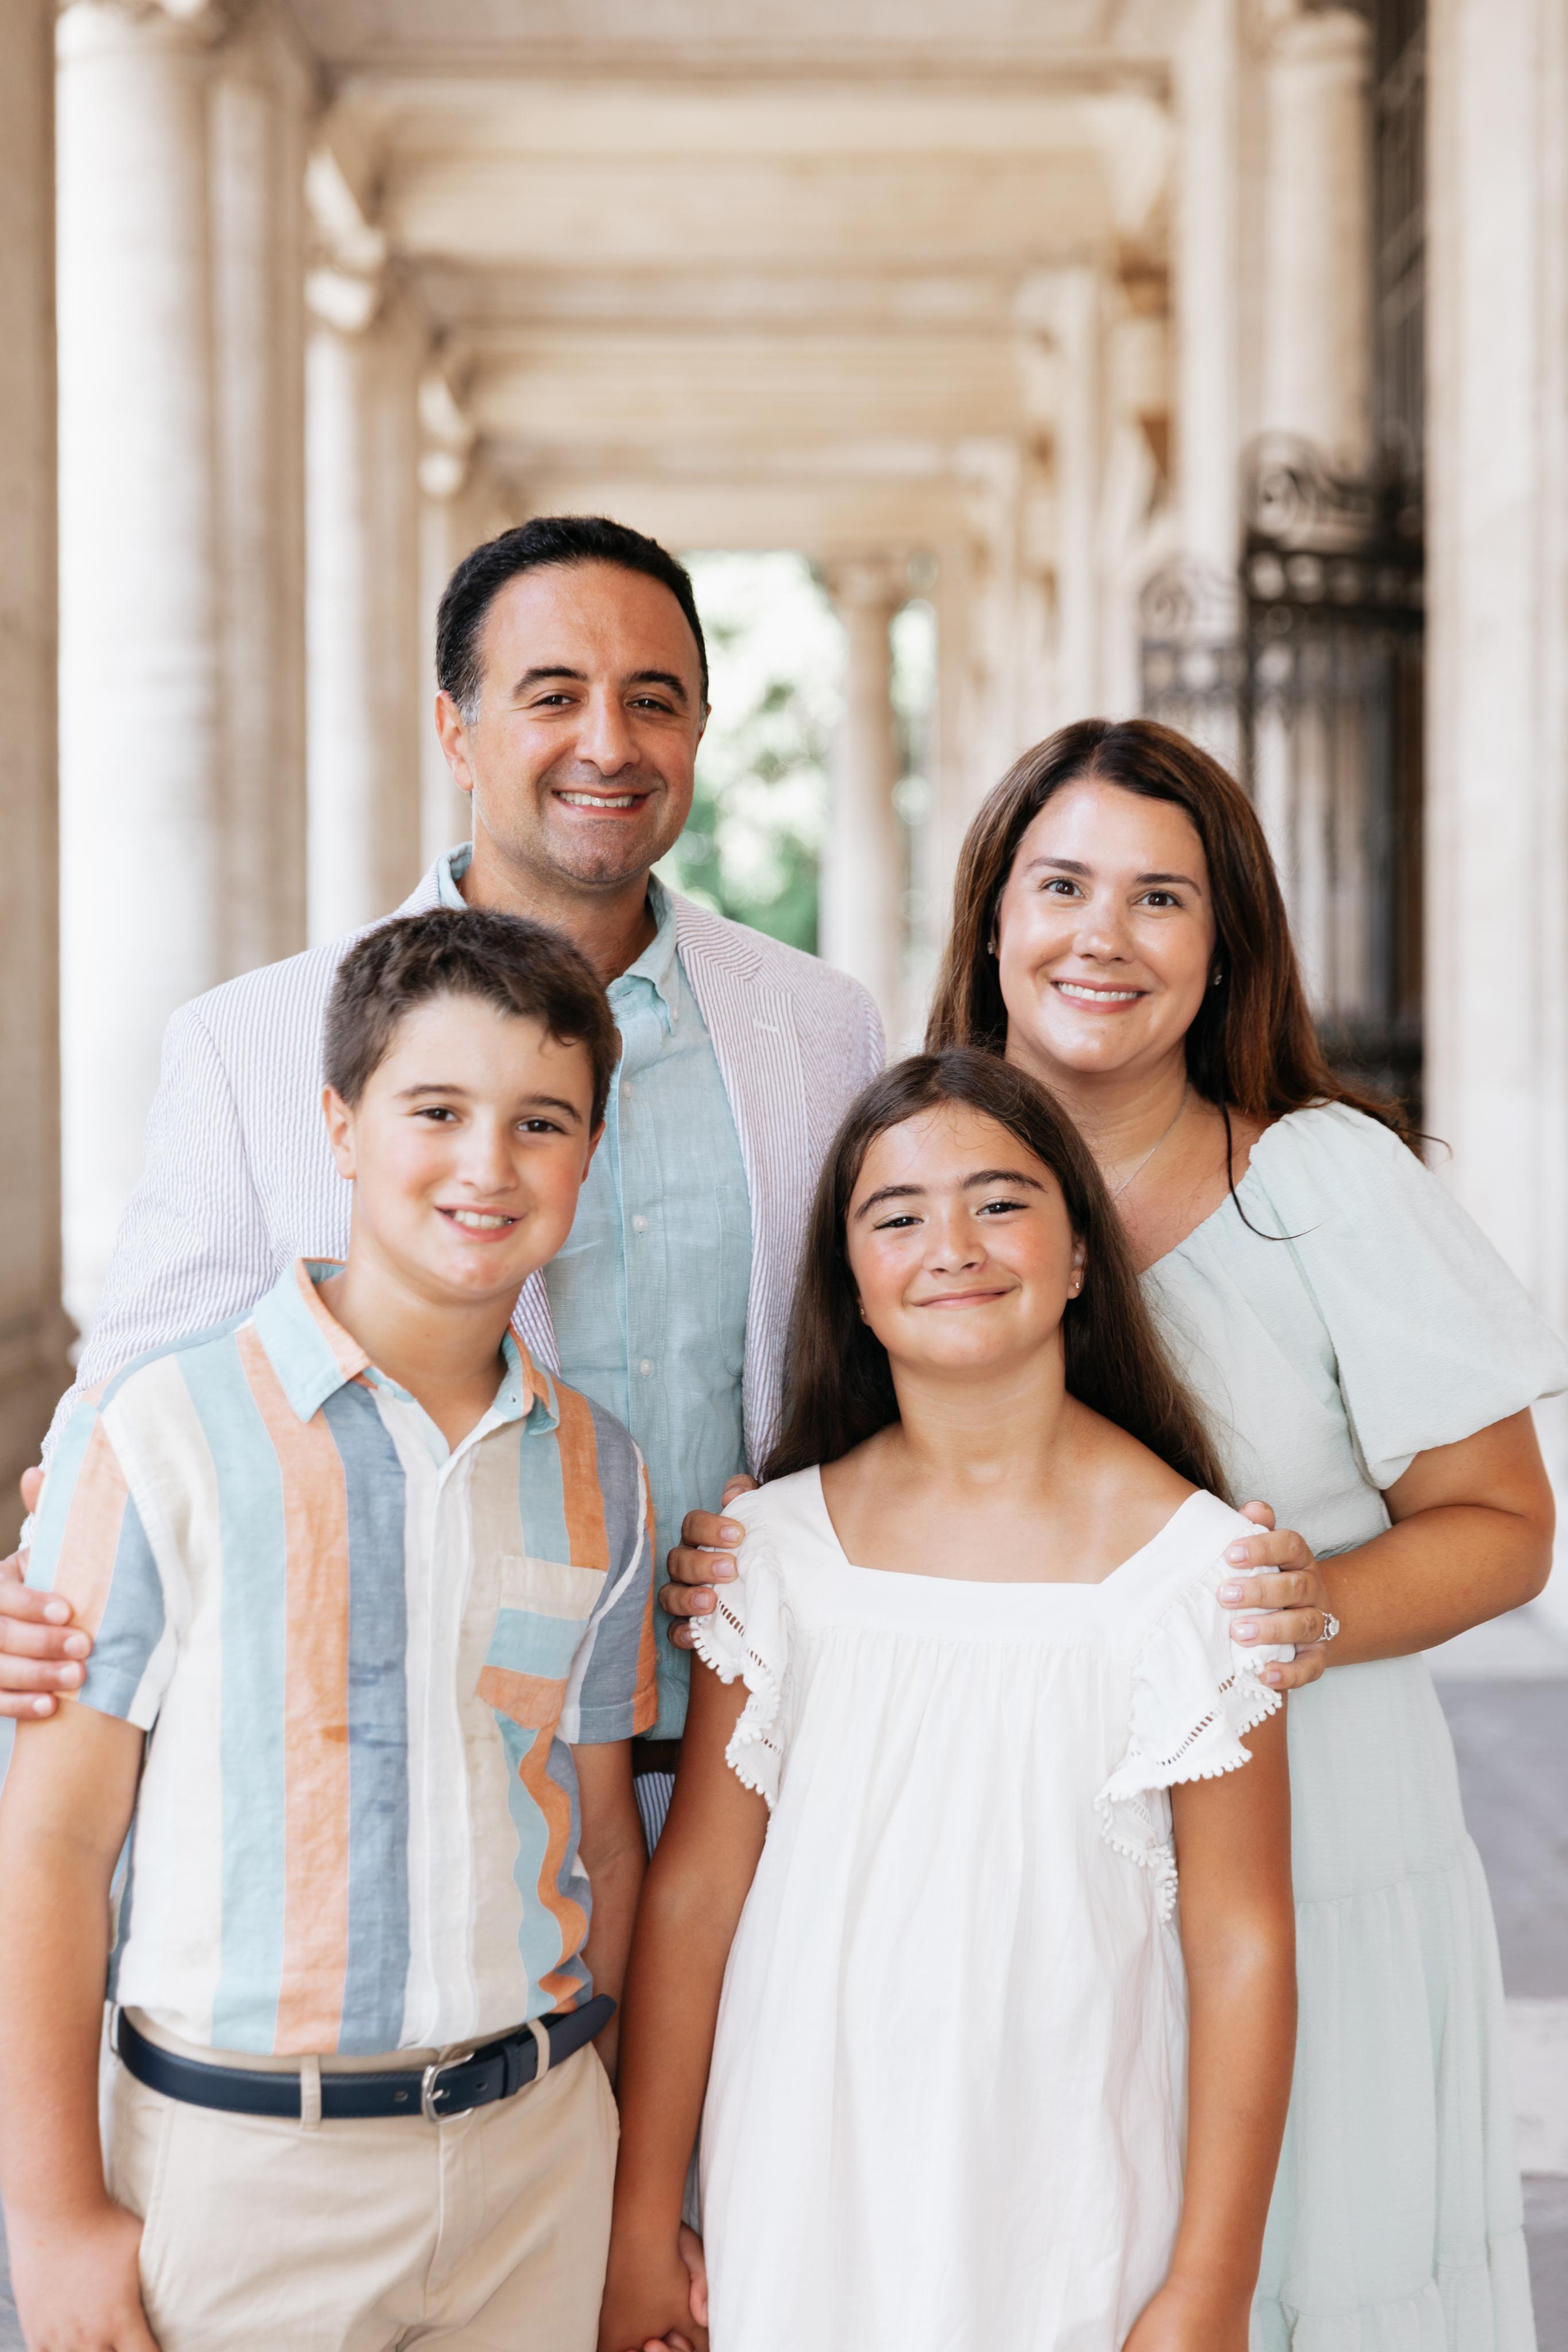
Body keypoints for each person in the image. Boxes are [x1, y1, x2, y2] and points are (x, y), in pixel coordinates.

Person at [0, 515, 883, 1845]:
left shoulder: (821, 1028)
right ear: (455, 731)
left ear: (698, 729)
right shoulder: (255, 1040)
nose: (608, 742)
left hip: (759, 1760)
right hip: (420, 1774)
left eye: (654, 700)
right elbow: (140, 1384)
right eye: (552, 696)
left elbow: (868, 1359)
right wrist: (44, 1593)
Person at [0, 907, 655, 2352]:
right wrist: (48, 2215)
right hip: (243, 2181)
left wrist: (608, 2151)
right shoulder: (158, 1433)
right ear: (339, 1128)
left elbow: (601, 1831)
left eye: (540, 1122)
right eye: (437, 1110)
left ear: (588, 1158)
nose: (488, 1165)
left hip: (534, 2167)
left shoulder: (599, 1470)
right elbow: (48, 1842)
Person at [599, 1051, 1297, 2352]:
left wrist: (1211, 2281)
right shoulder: (770, 1558)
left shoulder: (1197, 1576)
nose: (952, 1245)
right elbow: (693, 1902)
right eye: (897, 1215)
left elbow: (1242, 1945)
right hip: (802, 2184)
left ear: (1079, 1255)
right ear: (850, 1284)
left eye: (1000, 1201)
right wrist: (641, 2222)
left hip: (1068, 2204)